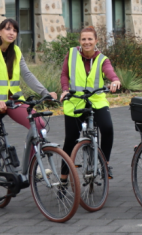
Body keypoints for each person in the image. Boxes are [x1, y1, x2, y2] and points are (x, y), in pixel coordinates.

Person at [0, 18, 57, 218]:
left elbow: (26, 75)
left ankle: (34, 164)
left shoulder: (16, 52)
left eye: (15, 30)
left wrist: (46, 93)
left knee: (38, 122)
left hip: (10, 101)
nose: (11, 33)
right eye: (7, 29)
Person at [60, 26, 121, 184]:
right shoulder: (72, 54)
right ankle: (63, 179)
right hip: (75, 100)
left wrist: (114, 80)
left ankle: (105, 164)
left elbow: (109, 72)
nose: (87, 42)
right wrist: (65, 90)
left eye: (90, 39)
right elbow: (64, 74)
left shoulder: (102, 59)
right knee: (70, 139)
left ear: (96, 41)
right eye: (84, 39)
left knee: (107, 128)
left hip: (96, 100)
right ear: (80, 41)